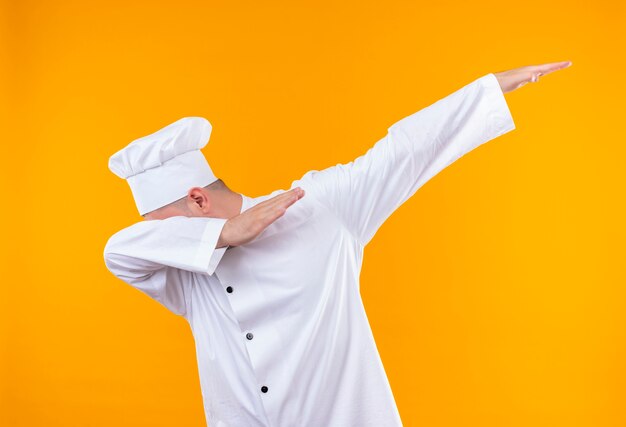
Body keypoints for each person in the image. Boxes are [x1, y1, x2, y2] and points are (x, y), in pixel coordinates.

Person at [103, 61, 572, 427]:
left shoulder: (318, 206)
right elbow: (118, 251)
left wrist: (488, 90)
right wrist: (226, 233)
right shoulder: (185, 273)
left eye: (165, 227)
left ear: (198, 199)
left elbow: (400, 153)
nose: (165, 242)